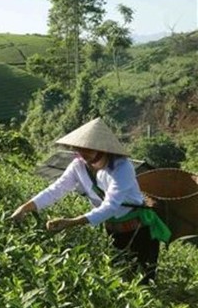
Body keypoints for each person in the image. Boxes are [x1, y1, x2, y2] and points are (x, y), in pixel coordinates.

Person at [10, 118, 171, 284]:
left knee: (144, 280)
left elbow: (111, 205)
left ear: (102, 149)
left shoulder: (122, 168)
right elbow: (56, 189)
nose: (82, 154)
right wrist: (25, 208)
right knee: (119, 277)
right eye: (79, 150)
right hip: (113, 230)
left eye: (87, 150)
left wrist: (71, 222)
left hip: (139, 231)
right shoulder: (78, 166)